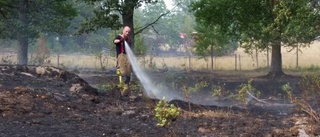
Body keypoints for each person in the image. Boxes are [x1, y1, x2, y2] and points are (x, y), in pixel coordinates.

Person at [113, 26, 132, 96]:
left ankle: (126, 86)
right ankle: (123, 87)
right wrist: (121, 40)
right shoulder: (118, 37)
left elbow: (130, 49)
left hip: (127, 56)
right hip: (121, 56)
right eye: (126, 31)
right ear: (123, 31)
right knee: (123, 71)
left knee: (128, 72)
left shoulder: (129, 40)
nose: (127, 33)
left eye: (128, 32)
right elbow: (114, 41)